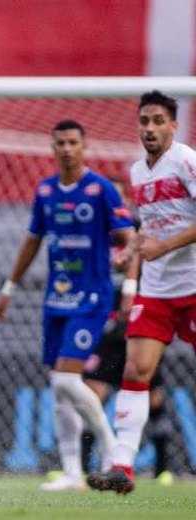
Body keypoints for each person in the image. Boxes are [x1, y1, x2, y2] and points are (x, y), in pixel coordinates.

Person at [0, 119, 135, 492]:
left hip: (92, 298)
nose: (67, 149)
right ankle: (72, 472)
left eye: (73, 142)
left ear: (84, 147)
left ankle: (112, 451)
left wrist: (130, 276)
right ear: (52, 148)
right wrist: (9, 288)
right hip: (56, 299)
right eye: (61, 143)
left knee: (68, 378)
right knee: (59, 386)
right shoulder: (46, 191)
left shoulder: (101, 189)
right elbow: (33, 240)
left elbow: (129, 234)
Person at [87, 90, 196, 494]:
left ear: (173, 125)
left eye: (158, 121)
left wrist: (164, 247)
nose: (149, 128)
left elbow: (168, 235)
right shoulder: (137, 172)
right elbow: (152, 225)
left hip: (193, 284)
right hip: (157, 290)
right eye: (144, 121)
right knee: (136, 372)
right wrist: (134, 247)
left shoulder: (186, 161)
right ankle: (123, 467)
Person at [81, 179, 174, 484]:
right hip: (105, 328)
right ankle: (81, 469)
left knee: (152, 395)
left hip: (140, 321)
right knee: (93, 393)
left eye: (116, 197)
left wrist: (132, 288)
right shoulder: (91, 233)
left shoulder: (136, 230)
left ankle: (163, 470)